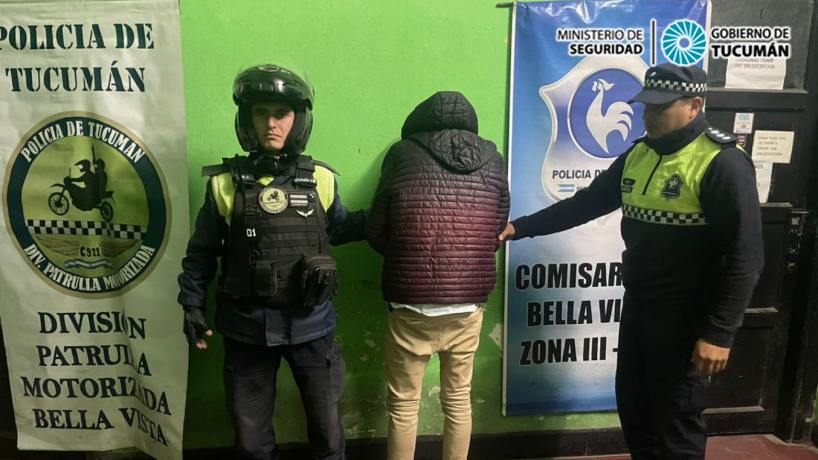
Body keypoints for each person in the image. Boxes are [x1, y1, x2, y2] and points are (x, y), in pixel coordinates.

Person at [499, 64, 764, 459]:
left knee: (675, 422)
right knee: (637, 411)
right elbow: (586, 204)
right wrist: (519, 228)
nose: (647, 115)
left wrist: (719, 333)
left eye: (660, 108)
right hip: (640, 309)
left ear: (694, 105)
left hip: (688, 319)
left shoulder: (721, 162)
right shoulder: (639, 153)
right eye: (646, 106)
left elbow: (746, 256)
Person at [177, 64, 365, 460]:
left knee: (328, 433)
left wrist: (394, 214)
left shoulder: (322, 179)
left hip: (312, 325)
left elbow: (340, 228)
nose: (271, 124)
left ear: (298, 120)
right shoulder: (223, 184)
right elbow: (202, 251)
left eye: (281, 113)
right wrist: (191, 304)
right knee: (251, 442)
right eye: (260, 113)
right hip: (247, 327)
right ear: (247, 119)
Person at [366, 91, 510, 460]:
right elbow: (496, 228)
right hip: (467, 304)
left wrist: (404, 259)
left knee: (404, 405)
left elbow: (376, 229)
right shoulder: (493, 158)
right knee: (459, 400)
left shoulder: (402, 154)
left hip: (411, 304)